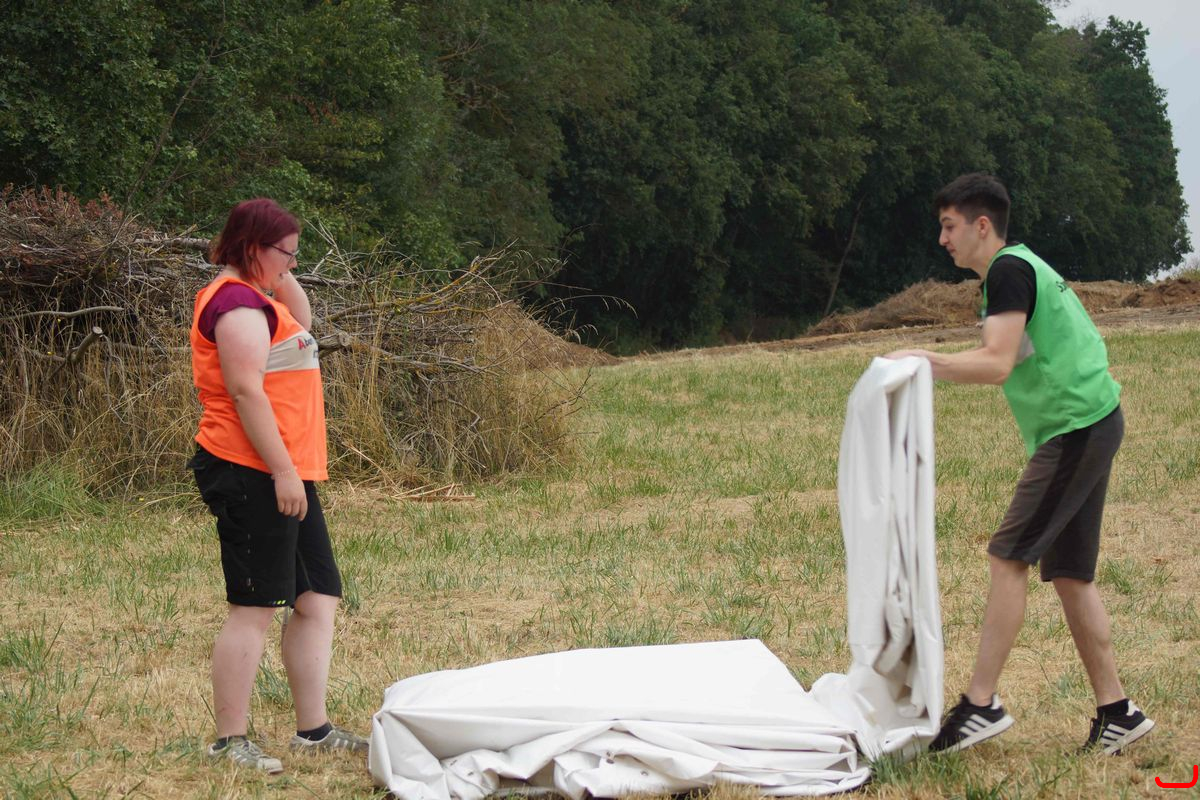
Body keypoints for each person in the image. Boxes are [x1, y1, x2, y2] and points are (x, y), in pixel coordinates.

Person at [888, 173, 1154, 755]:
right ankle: (1119, 712)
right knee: (1071, 575)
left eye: (949, 226)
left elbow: (996, 362)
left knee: (1007, 557)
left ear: (982, 225)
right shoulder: (1020, 267)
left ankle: (980, 704)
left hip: (1075, 428)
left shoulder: (1009, 271)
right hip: (1091, 421)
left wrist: (922, 360)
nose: (942, 239)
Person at [188, 198, 368, 773]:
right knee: (255, 605)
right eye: (285, 253)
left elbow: (302, 324)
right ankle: (229, 742)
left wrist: (278, 268)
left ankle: (313, 731)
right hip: (252, 470)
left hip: (287, 469)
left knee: (316, 598)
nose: (293, 264)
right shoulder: (236, 305)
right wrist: (283, 473)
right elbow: (246, 392)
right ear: (251, 248)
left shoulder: (260, 297)